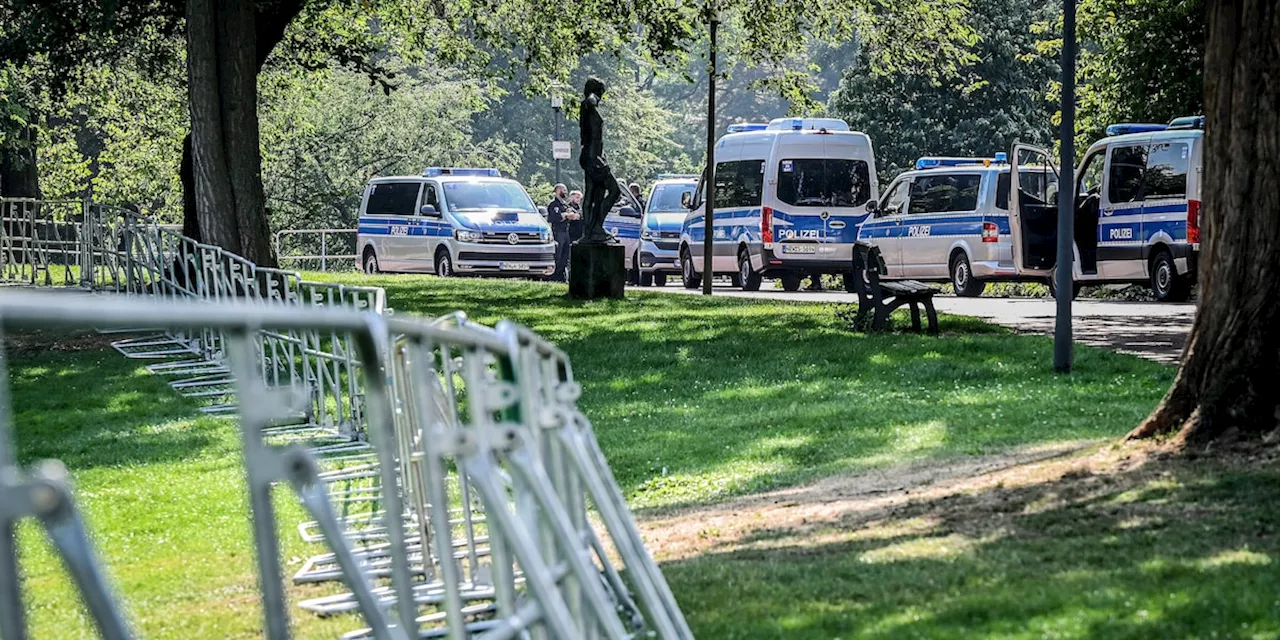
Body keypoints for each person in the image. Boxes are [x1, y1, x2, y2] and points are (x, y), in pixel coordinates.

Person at [577, 77, 621, 244]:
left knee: (594, 193)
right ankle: (595, 227)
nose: (602, 96)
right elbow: (590, 101)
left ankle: (591, 229)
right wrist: (592, 97)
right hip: (593, 157)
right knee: (614, 190)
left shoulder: (587, 108)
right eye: (601, 92)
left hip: (594, 156)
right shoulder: (589, 103)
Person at [546, 184, 571, 281]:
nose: (565, 192)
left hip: (566, 232)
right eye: (563, 190)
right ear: (557, 191)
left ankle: (561, 276)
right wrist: (565, 215)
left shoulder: (565, 204)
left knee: (565, 255)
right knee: (558, 254)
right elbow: (555, 218)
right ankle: (553, 276)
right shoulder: (554, 205)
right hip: (558, 232)